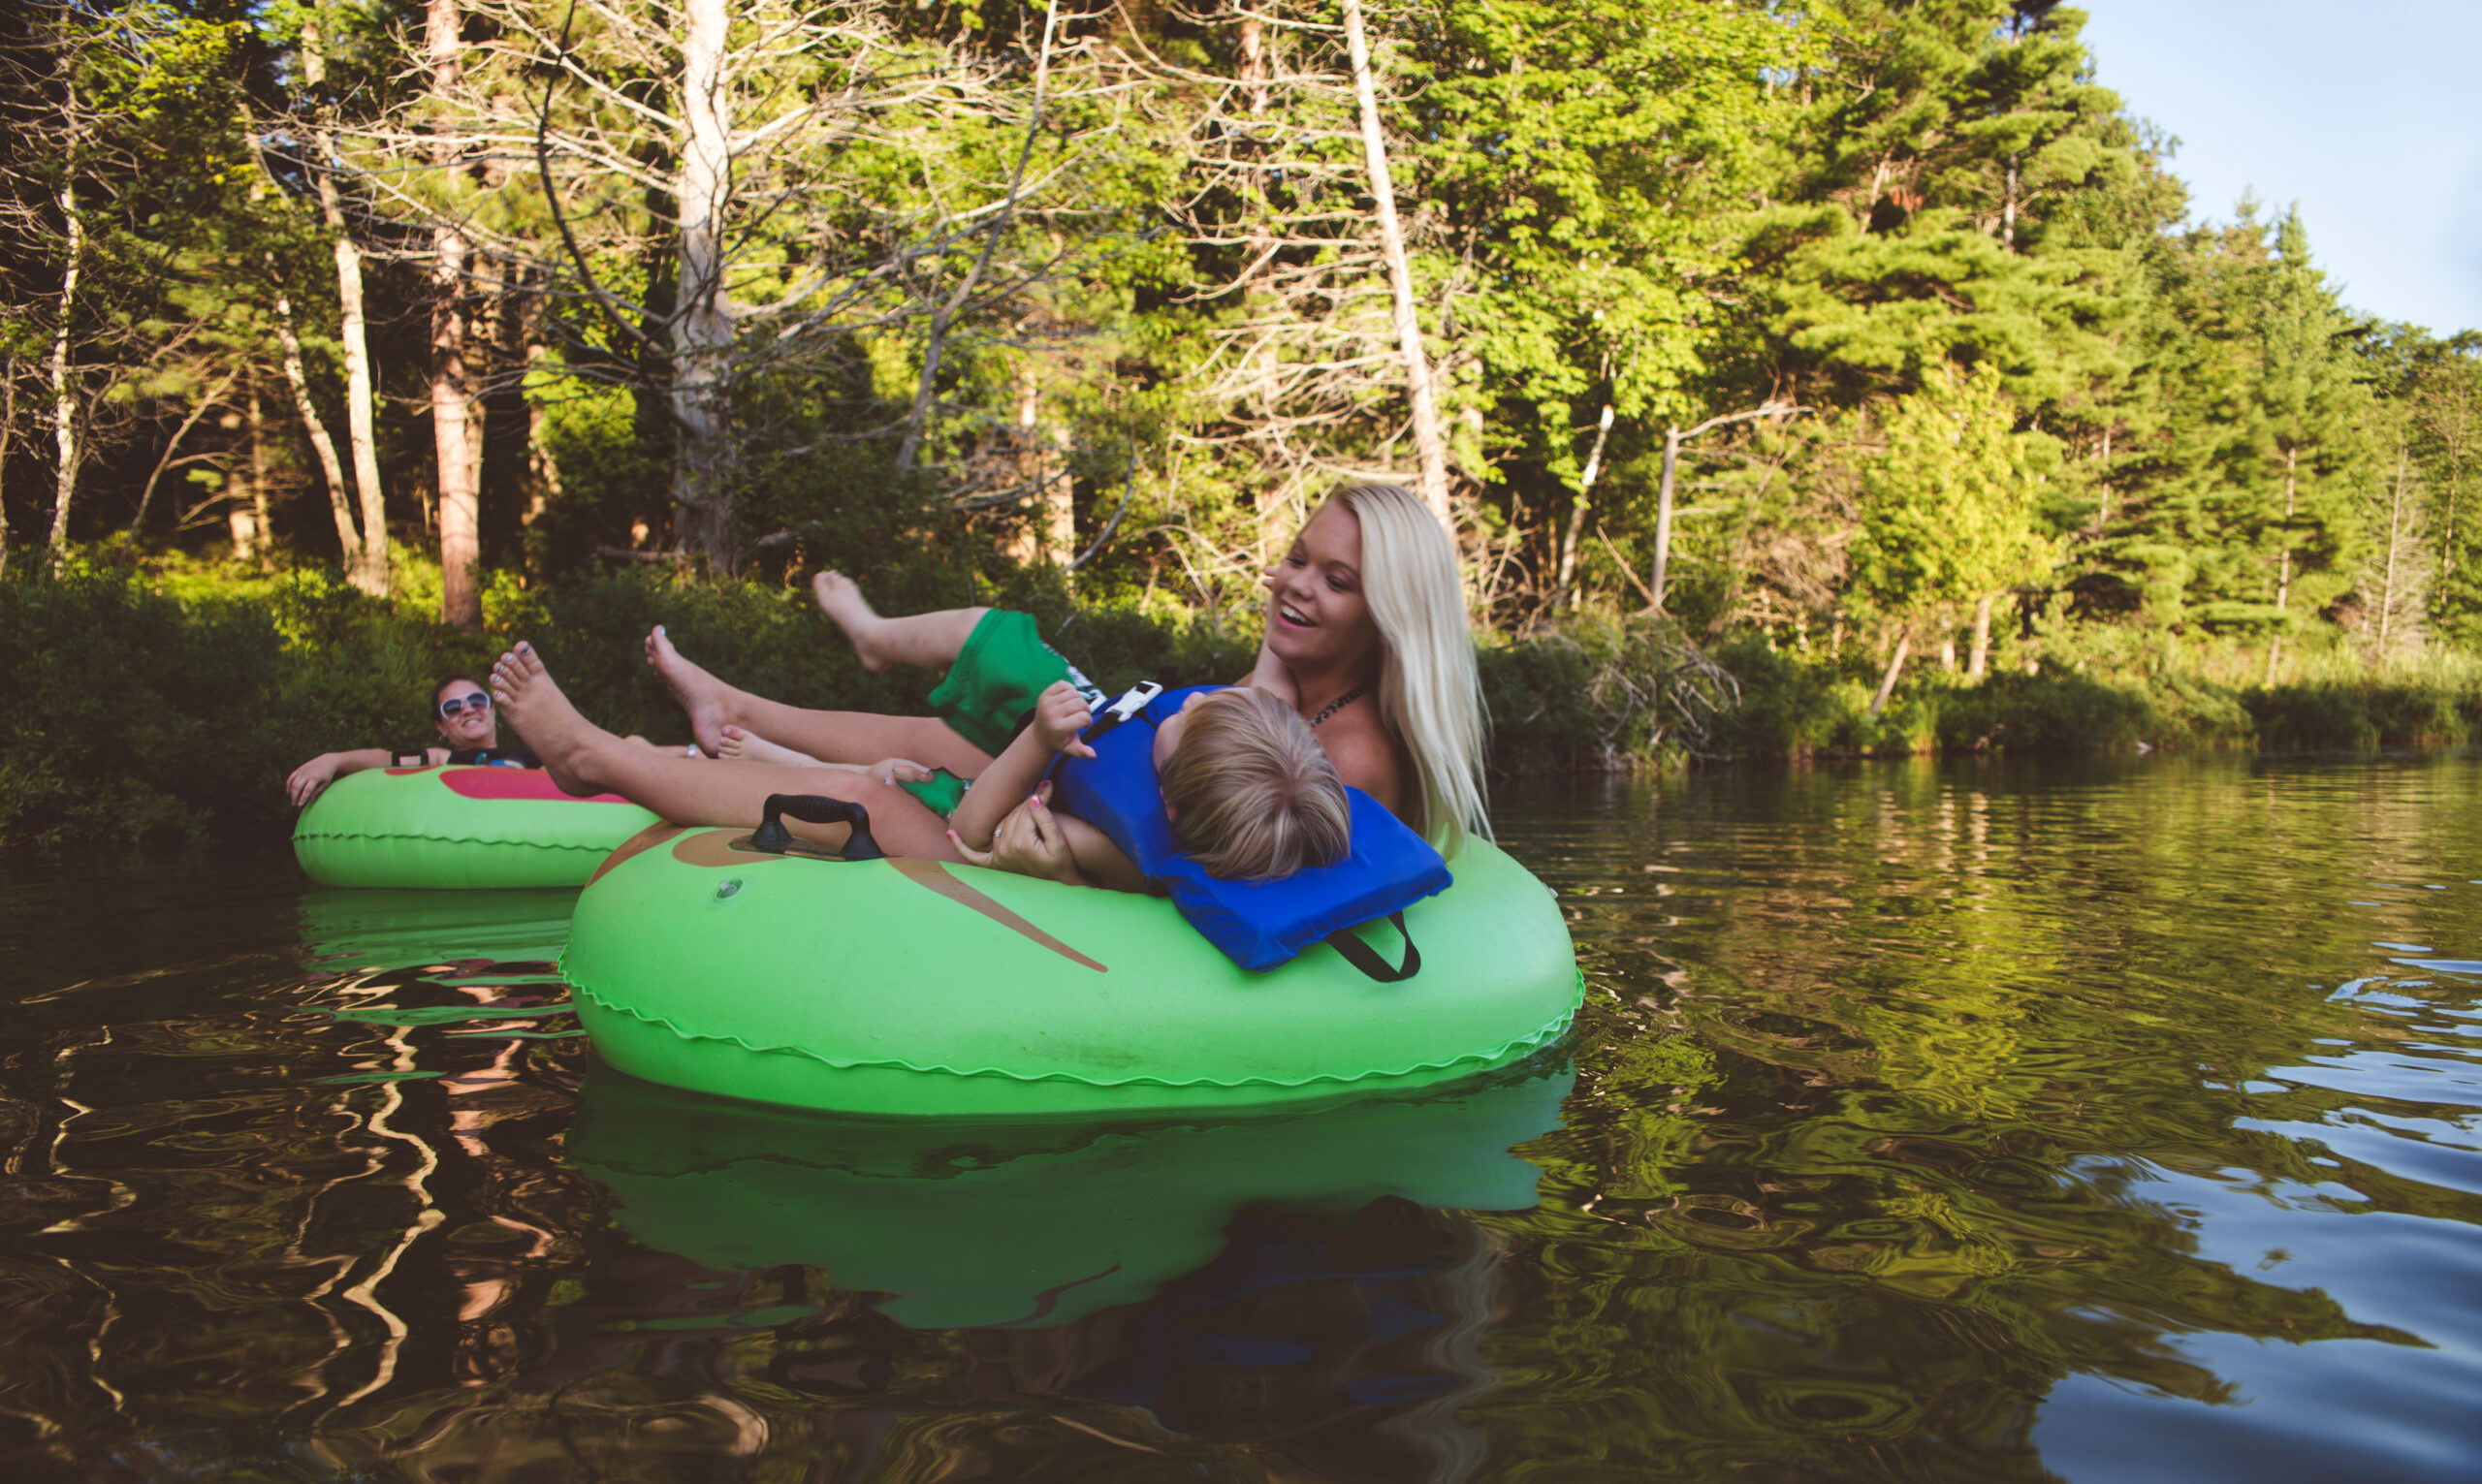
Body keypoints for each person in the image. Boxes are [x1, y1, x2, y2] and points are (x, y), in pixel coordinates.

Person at [642, 482, 1489, 868]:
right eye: (1299, 558)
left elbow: (1228, 830)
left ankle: (719, 752)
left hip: (1103, 801)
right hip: (1119, 734)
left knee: (932, 760)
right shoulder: (1303, 672)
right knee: (996, 642)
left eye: (1337, 581)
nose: (1297, 583)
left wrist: (1058, 854)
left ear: (1390, 616)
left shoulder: (1358, 755)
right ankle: (786, 679)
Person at [484, 644, 1349, 886]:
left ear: (1167, 784)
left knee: (864, 796)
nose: (1190, 699)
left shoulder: (1124, 844)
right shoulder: (1204, 766)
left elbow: (975, 835)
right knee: (908, 756)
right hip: (990, 812)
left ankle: (589, 756)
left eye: (1188, 720)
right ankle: (690, 738)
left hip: (984, 861)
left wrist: (1039, 743)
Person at [285, 674, 531, 807]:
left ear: (491, 710)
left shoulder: (532, 755)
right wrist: (333, 760)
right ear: (441, 727)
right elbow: (387, 759)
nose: (468, 710)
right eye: (453, 708)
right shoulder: (443, 759)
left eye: (477, 701)